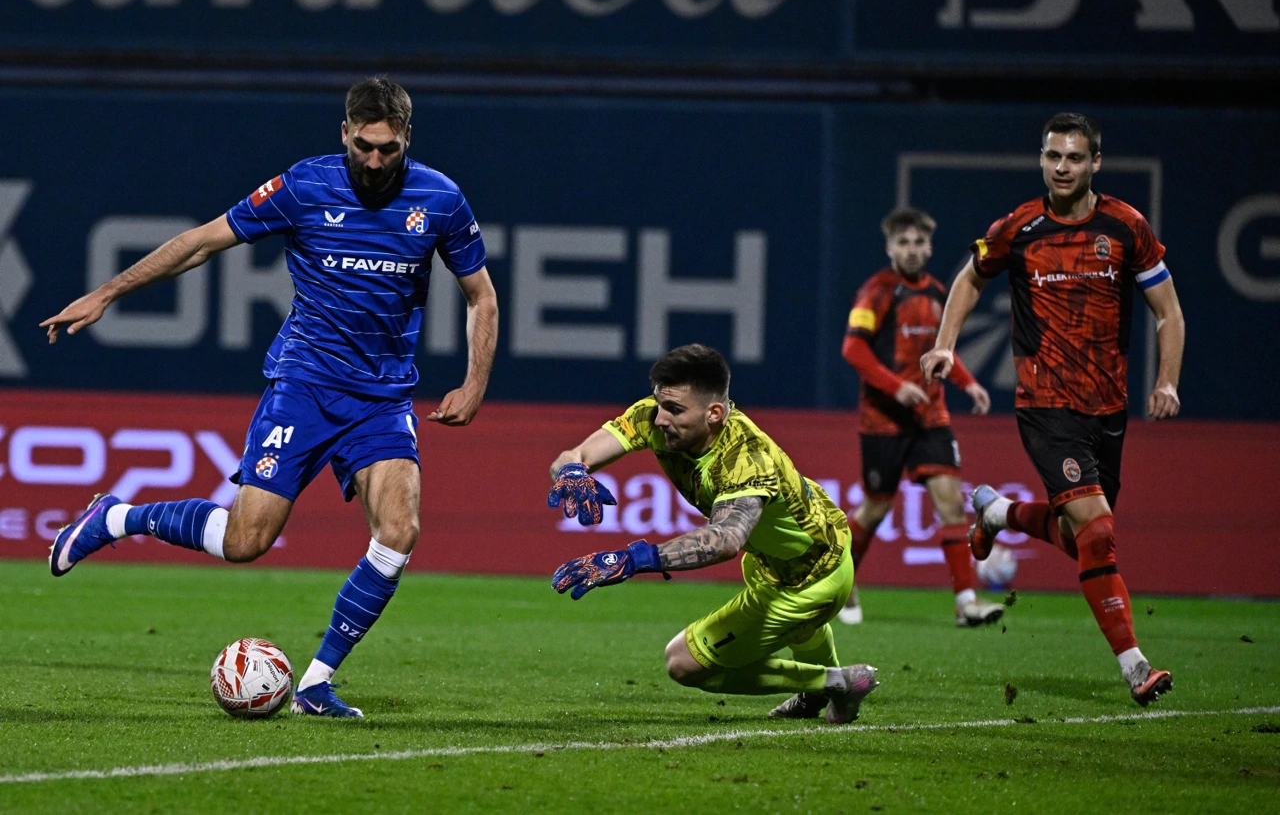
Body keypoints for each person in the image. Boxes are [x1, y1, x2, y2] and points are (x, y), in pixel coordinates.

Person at [40, 77, 499, 719]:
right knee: (246, 540)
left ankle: (314, 684)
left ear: (406, 140)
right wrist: (106, 294)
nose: (373, 161)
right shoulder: (303, 187)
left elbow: (481, 295)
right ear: (345, 132)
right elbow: (200, 242)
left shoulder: (441, 199)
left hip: (382, 400)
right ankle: (116, 517)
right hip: (304, 388)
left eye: (387, 150)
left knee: (399, 531)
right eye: (363, 146)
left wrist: (475, 382)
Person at [920, 112, 1185, 707]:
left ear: (1096, 163)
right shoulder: (1020, 227)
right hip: (1045, 404)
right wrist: (944, 343)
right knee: (1098, 531)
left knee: (1084, 541)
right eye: (1051, 156)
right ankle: (1136, 667)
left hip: (1107, 408)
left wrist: (1167, 382)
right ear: (1041, 160)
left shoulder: (1125, 227)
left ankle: (999, 514)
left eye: (1073, 158)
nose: (1061, 167)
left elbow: (1169, 312)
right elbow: (969, 278)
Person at [548, 344, 879, 724]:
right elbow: (573, 455)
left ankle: (834, 682)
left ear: (715, 413)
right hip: (780, 554)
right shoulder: (653, 417)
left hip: (810, 577)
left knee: (683, 664)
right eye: (659, 405)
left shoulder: (745, 458)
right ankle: (830, 695)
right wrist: (573, 472)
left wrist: (634, 559)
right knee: (802, 630)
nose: (660, 420)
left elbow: (725, 539)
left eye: (674, 410)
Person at [838, 207, 999, 628]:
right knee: (874, 510)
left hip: (930, 415)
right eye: (903, 243)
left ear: (929, 246)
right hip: (883, 420)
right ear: (890, 247)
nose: (911, 250)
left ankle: (967, 603)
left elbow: (941, 350)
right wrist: (896, 387)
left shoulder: (938, 293)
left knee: (951, 503)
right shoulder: (877, 291)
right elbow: (853, 349)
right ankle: (841, 580)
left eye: (918, 243)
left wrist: (968, 384)